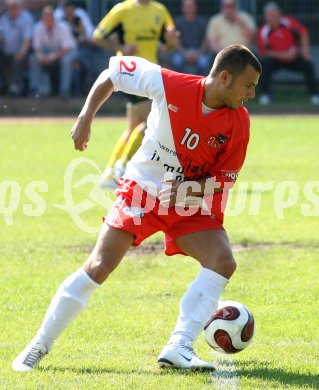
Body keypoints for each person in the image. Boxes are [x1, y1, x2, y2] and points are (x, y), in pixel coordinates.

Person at [12, 44, 261, 372]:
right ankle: (39, 345)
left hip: (186, 202)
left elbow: (224, 181)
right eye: (248, 85)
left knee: (222, 261)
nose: (252, 95)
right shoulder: (170, 83)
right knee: (99, 266)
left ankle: (179, 346)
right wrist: (86, 118)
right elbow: (111, 74)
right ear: (225, 78)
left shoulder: (238, 122)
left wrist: (189, 190)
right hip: (141, 190)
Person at [92, 0, 177, 189]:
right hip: (129, 74)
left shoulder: (160, 11)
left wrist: (171, 39)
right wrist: (121, 46)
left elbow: (170, 45)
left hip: (151, 77)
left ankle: (110, 172)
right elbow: (97, 36)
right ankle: (121, 169)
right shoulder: (122, 10)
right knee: (147, 124)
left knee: (132, 129)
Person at [257, 2, 319, 106]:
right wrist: (284, 55)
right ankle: (265, 95)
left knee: (308, 64)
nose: (273, 18)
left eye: (275, 14)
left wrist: (305, 52)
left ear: (279, 14)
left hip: (294, 58)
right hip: (276, 60)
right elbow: (265, 52)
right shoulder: (263, 31)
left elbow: (303, 32)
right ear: (266, 17)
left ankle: (314, 95)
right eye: (270, 15)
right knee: (264, 65)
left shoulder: (287, 22)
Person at [28, 5, 76, 97]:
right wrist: (40, 57)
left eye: (50, 17)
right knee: (33, 59)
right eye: (46, 17)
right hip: (46, 53)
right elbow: (36, 48)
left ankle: (64, 90)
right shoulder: (37, 27)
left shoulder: (63, 27)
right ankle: (35, 89)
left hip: (66, 53)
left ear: (54, 18)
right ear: (42, 18)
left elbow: (67, 48)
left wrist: (51, 57)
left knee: (66, 60)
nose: (48, 19)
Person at [0, 0, 34, 96]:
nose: (13, 9)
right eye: (11, 7)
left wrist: (22, 52)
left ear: (19, 7)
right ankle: (2, 86)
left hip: (23, 51)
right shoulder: (4, 18)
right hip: (5, 52)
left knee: (18, 58)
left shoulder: (26, 17)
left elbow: (28, 40)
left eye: (15, 6)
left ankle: (14, 88)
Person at [171, 0, 210, 75]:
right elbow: (176, 41)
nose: (188, 8)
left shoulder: (202, 22)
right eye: (186, 6)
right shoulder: (177, 22)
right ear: (182, 8)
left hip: (198, 51)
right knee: (176, 61)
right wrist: (184, 54)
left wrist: (199, 54)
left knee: (204, 63)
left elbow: (206, 41)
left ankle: (201, 84)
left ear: (195, 7)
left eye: (190, 6)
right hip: (183, 51)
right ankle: (180, 84)